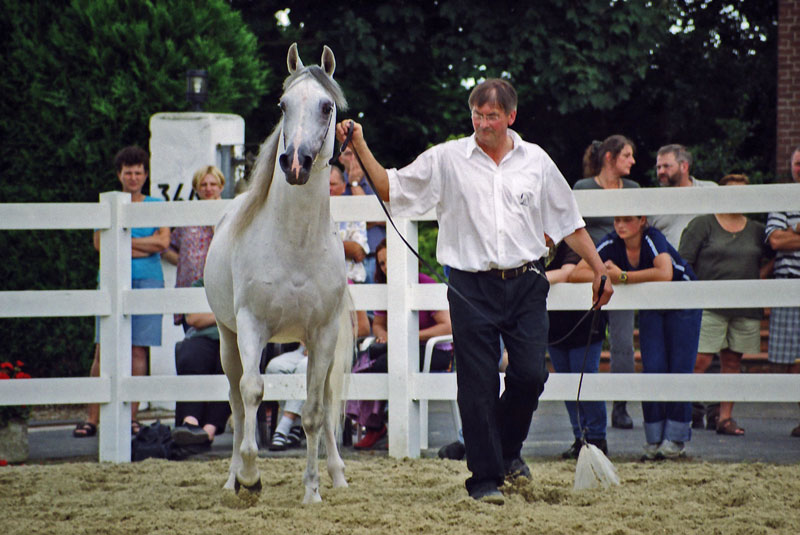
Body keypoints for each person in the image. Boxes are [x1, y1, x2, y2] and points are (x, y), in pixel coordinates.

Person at [336, 78, 611, 504]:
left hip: (527, 281)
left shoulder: (535, 160)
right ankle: (484, 478)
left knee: (530, 375)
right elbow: (391, 188)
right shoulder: (448, 159)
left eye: (492, 117)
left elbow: (567, 221)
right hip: (469, 286)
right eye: (478, 116)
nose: (483, 124)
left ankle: (504, 451)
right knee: (477, 383)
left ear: (511, 116)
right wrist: (362, 144)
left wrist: (598, 270)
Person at [571, 216, 700, 459]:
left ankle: (675, 438)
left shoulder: (653, 238)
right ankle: (654, 440)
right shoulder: (612, 242)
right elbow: (577, 273)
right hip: (651, 305)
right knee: (653, 367)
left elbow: (665, 272)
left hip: (683, 303)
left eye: (627, 220)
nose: (620, 225)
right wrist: (604, 273)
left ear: (642, 221)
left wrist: (621, 277)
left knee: (679, 368)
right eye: (617, 220)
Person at [74, 146, 170, 438]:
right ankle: (93, 419)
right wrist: (144, 243)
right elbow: (101, 244)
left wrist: (123, 244)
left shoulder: (157, 203)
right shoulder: (108, 203)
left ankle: (131, 418)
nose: (133, 176)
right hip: (112, 281)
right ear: (119, 174)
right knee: (103, 350)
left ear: (145, 174)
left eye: (138, 171)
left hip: (149, 282)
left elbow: (163, 242)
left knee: (139, 349)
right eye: (127, 172)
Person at [679, 174, 774, 436]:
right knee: (700, 359)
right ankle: (682, 414)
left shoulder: (756, 229)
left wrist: (760, 276)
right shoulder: (703, 224)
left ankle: (725, 419)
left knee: (732, 362)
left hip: (745, 307)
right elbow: (684, 262)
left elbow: (772, 255)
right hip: (708, 304)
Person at [347, 239, 454, 450]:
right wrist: (384, 335)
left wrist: (410, 336)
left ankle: (392, 427)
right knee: (366, 362)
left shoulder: (425, 284)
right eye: (382, 264)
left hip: (436, 350)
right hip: (400, 347)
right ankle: (374, 426)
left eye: (390, 261)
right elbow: (377, 324)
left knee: (387, 362)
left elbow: (447, 327)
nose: (386, 268)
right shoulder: (385, 289)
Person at [574, 135, 640, 430]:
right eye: (627, 155)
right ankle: (585, 410)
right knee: (584, 340)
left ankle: (621, 406)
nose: (633, 161)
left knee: (624, 343)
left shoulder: (635, 189)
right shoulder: (583, 188)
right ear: (610, 158)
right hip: (587, 273)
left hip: (622, 274)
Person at [546, 240, 609, 458]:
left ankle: (597, 437)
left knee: (585, 377)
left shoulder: (572, 243)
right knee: (566, 383)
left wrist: (529, 281)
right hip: (552, 325)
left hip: (584, 322)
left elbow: (568, 273)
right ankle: (579, 436)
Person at [170, 279, 230, 449]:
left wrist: (210, 315)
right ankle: (190, 422)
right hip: (202, 337)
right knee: (190, 356)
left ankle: (208, 430)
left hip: (235, 338)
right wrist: (228, 313)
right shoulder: (201, 284)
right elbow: (194, 319)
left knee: (230, 366)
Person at [765, 145, 800, 437]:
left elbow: (786, 237)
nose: (799, 167)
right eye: (797, 163)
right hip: (788, 284)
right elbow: (776, 241)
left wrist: (796, 231)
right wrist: (792, 232)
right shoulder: (782, 199)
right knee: (787, 360)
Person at [162, 165, 225, 328]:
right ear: (196, 188)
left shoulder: (227, 214)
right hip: (189, 288)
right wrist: (183, 261)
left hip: (218, 288)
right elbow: (167, 247)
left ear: (221, 187)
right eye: (203, 185)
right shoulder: (188, 216)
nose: (208, 188)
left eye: (213, 184)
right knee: (191, 339)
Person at [650, 144, 718, 249]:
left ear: (684, 167)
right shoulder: (653, 200)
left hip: (706, 261)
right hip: (667, 263)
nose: (661, 171)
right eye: (658, 167)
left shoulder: (709, 190)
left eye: (666, 166)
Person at [340, 147, 387, 283]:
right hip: (349, 262)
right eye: (349, 154)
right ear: (340, 159)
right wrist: (375, 220)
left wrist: (355, 184)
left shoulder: (377, 180)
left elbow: (389, 216)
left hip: (377, 261)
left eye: (357, 153)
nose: (354, 159)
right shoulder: (336, 183)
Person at [329, 164, 370, 283]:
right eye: (325, 185)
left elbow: (358, 251)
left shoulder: (353, 211)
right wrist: (345, 246)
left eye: (333, 184)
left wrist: (322, 244)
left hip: (352, 280)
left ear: (343, 187)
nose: (329, 188)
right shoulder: (312, 212)